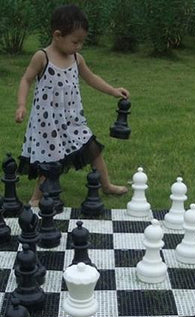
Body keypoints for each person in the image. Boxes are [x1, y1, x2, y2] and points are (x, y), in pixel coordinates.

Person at [15, 4, 130, 206]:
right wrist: (21, 105)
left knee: (93, 148)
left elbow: (91, 78)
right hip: (47, 122)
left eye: (81, 42)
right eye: (75, 41)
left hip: (73, 118)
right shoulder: (42, 57)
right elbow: (26, 80)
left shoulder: (77, 58)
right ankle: (36, 197)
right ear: (57, 35)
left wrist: (113, 90)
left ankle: (107, 186)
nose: (79, 46)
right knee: (48, 160)